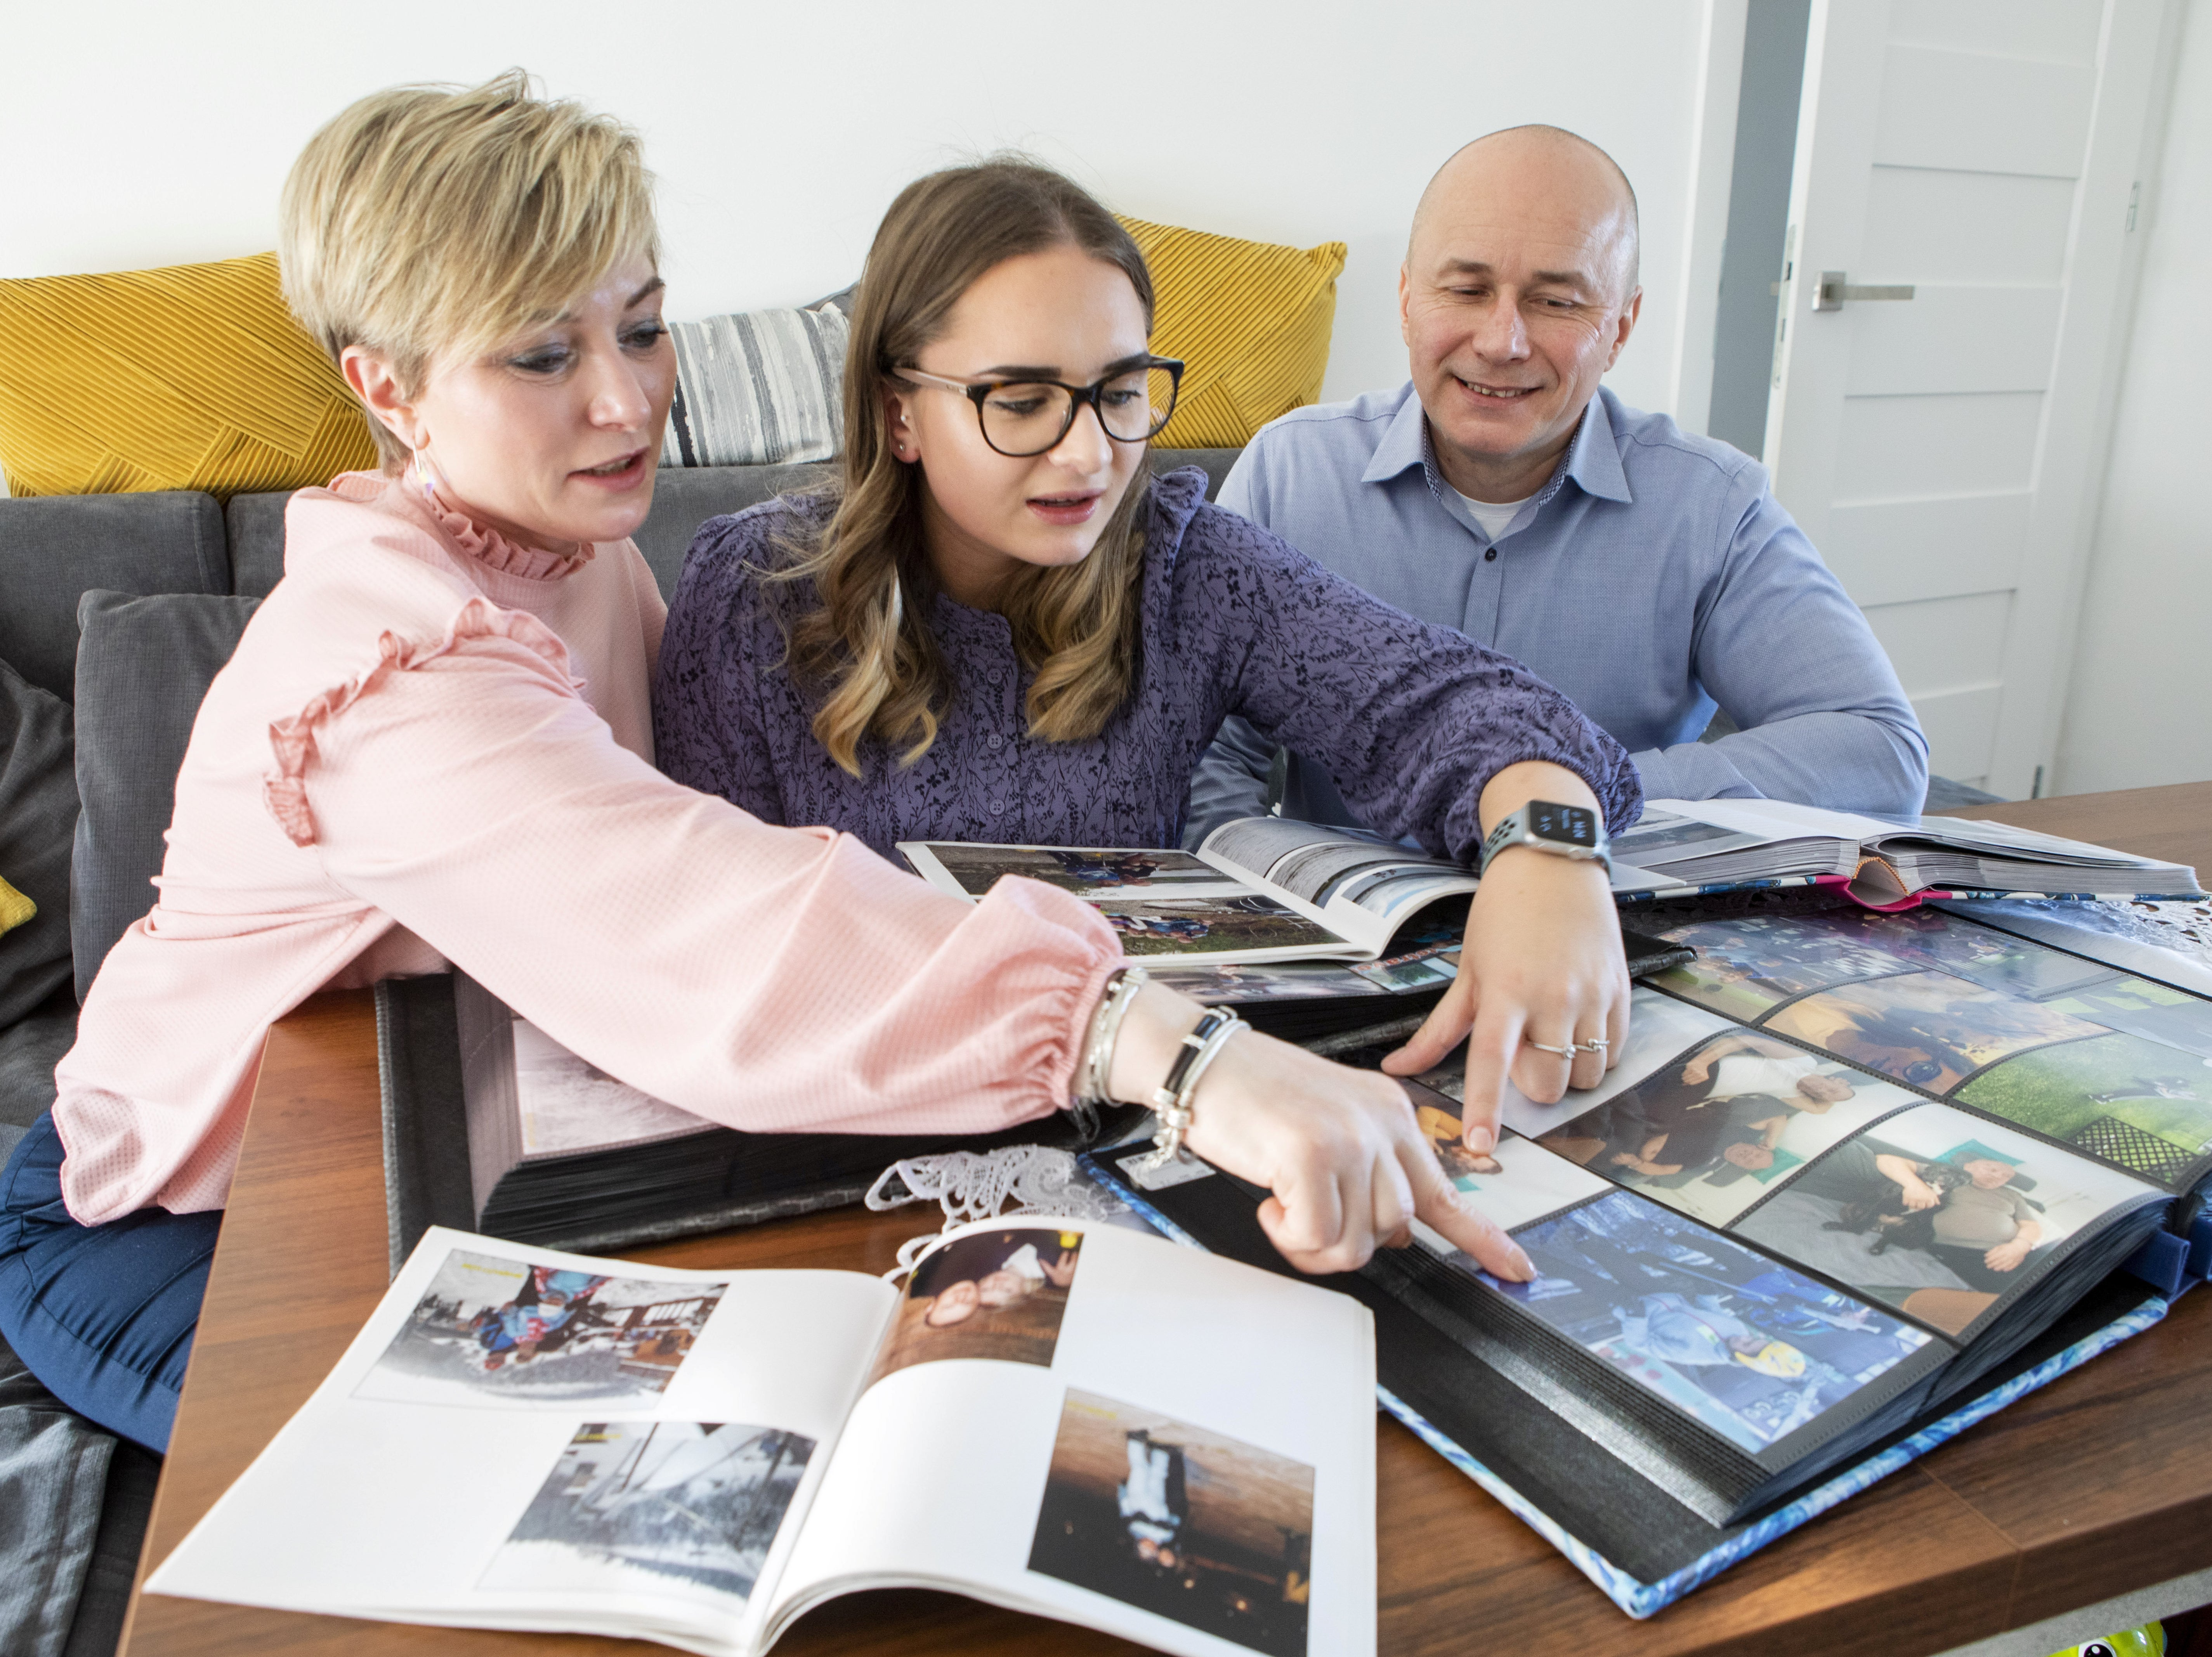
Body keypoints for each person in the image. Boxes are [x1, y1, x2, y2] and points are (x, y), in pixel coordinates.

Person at [0, 80, 1529, 1454]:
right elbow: (707, 910)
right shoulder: (395, 667)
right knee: (566, 1461)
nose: (626, 397)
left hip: (416, 1122)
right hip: (170, 1211)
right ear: (387, 388)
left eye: (644, 326)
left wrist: (1543, 845)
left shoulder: (570, 547)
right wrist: (1186, 1056)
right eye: (544, 352)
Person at [653, 158, 1643, 1167]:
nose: (1089, 455)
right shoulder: (755, 586)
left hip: (1132, 1123)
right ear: (899, 409)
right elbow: (711, 939)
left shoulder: (1182, 563)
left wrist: (1550, 852)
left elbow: (1438, 698)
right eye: (1022, 399)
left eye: (1120, 391)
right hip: (835, 1131)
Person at [1187, 124, 1927, 842]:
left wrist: (1571, 803)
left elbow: (1879, 750)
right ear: (1408, 301)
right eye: (1468, 289)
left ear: (1623, 328)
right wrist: (1288, 883)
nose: (1502, 342)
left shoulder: (1712, 506)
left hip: (1606, 926)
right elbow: (1201, 759)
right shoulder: (1288, 472)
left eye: (1557, 302)